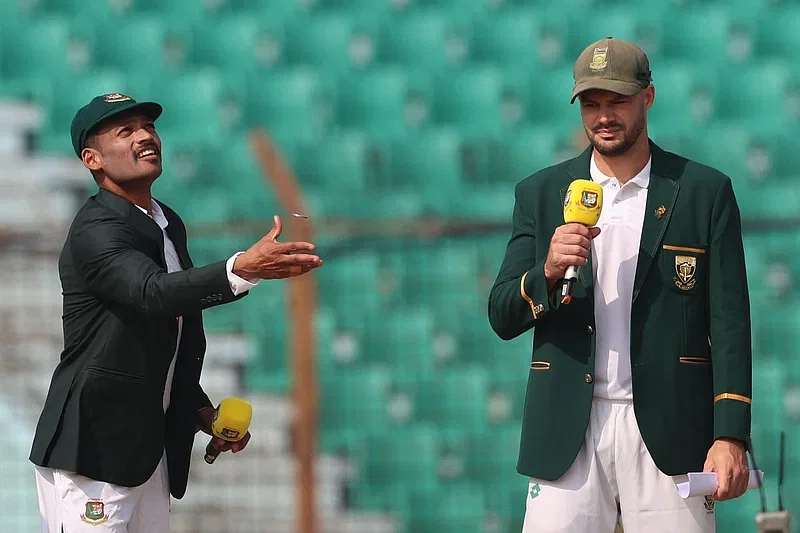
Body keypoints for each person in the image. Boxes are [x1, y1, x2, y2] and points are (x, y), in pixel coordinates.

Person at [488, 37, 752, 533]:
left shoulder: (703, 192)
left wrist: (731, 435)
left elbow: (730, 321)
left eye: (617, 102)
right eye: (591, 104)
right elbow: (502, 314)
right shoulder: (540, 193)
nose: (603, 116)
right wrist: (545, 273)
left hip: (670, 432)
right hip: (565, 431)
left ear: (648, 97)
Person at [29, 93, 323, 533]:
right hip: (94, 449)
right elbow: (154, 294)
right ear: (93, 159)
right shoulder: (94, 227)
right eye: (125, 131)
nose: (145, 136)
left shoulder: (165, 221)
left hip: (146, 453)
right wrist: (238, 269)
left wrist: (199, 412)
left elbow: (164, 336)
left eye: (148, 126)